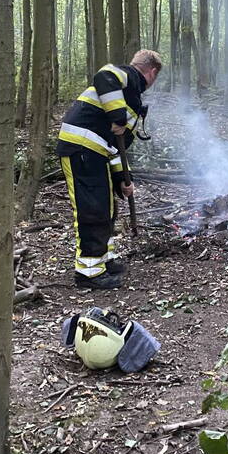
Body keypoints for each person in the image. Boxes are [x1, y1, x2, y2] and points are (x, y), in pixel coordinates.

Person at [56, 50, 162, 290]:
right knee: (92, 209)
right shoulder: (128, 76)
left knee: (107, 207)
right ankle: (89, 273)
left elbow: (116, 148)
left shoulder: (130, 96)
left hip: (97, 153)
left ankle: (104, 259)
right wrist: (118, 116)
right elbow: (105, 75)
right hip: (80, 148)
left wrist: (122, 179)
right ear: (152, 71)